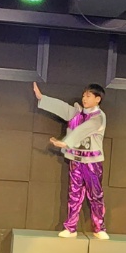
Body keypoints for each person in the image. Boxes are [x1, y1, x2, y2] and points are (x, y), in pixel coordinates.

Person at [34, 81, 109, 239]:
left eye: (88, 96)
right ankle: (70, 227)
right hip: (76, 160)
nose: (84, 99)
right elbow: (63, 108)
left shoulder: (99, 117)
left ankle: (99, 227)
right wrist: (42, 98)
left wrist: (66, 142)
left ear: (98, 99)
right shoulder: (77, 113)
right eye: (84, 96)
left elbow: (84, 129)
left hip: (92, 162)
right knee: (74, 193)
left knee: (95, 194)